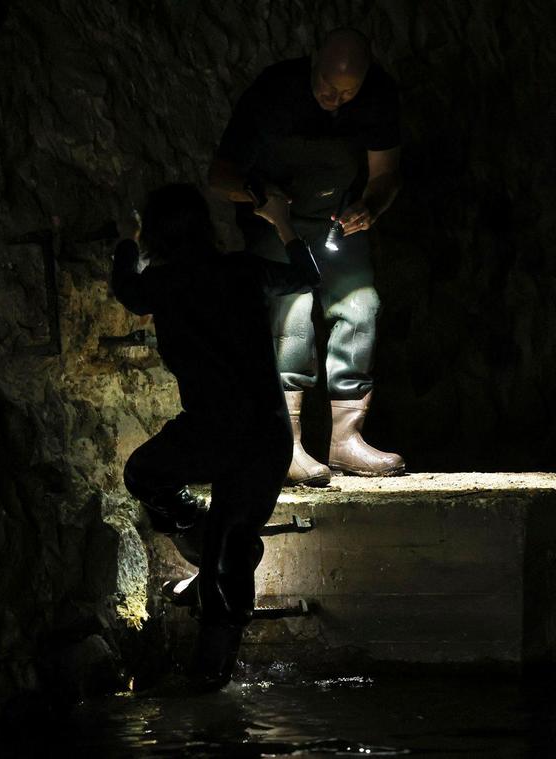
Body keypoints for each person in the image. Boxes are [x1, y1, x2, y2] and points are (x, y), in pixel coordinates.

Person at [112, 183, 320, 689]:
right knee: (223, 550)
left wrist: (125, 239)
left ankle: (208, 677)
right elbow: (308, 276)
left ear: (156, 235)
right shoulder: (242, 270)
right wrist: (283, 223)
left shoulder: (163, 281)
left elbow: (127, 288)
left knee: (149, 478)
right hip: (255, 433)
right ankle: (216, 559)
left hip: (227, 430)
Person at [209, 27, 405, 486]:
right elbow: (220, 175)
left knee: (361, 306)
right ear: (313, 59)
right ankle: (288, 444)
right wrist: (261, 198)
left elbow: (386, 174)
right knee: (291, 315)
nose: (333, 100)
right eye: (326, 87)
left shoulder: (378, 97)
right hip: (277, 219)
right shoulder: (274, 90)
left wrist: (370, 207)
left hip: (338, 220)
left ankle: (346, 440)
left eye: (347, 94)